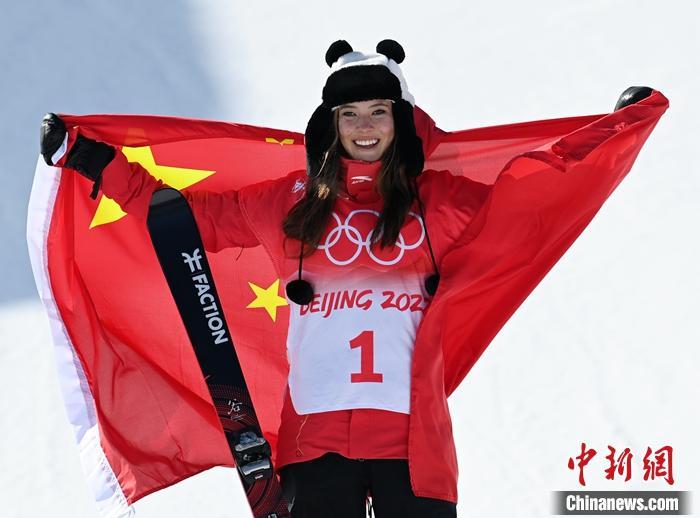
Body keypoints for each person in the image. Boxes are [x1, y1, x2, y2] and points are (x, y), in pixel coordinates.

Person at [39, 39, 652, 518]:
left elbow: (538, 193)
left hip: (414, 446)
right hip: (314, 443)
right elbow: (181, 219)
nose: (365, 125)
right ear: (329, 124)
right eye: (350, 113)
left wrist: (616, 132)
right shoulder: (287, 202)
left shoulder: (443, 202)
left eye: (379, 111)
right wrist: (94, 160)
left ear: (401, 118)